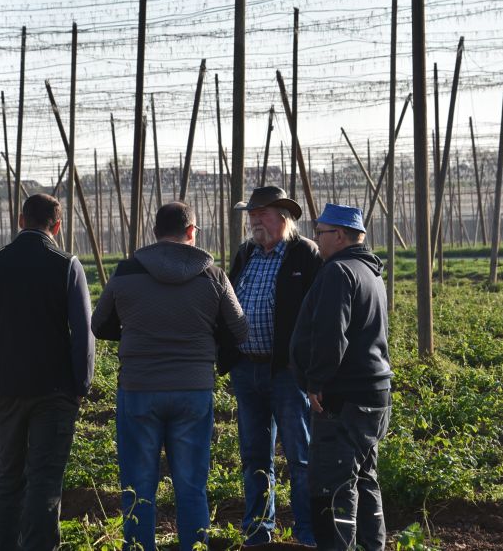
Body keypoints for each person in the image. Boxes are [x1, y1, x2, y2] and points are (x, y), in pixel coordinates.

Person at [92, 201, 247, 551]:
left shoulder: (127, 272)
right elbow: (240, 328)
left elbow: (98, 324)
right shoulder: (213, 276)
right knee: (191, 484)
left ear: (155, 232)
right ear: (192, 232)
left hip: (139, 388)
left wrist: (135, 331)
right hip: (193, 389)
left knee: (138, 483)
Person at [0, 193, 95, 551]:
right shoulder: (66, 264)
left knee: (8, 475)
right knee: (44, 478)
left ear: (20, 221)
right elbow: (82, 333)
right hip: (55, 391)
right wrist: (81, 384)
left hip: (7, 389)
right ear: (57, 226)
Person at [290, 203, 392, 551]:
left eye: (320, 233)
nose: (315, 239)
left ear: (341, 235)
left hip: (344, 396)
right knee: (364, 478)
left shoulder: (338, 272)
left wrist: (316, 381)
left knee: (334, 484)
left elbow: (332, 334)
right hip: (373, 393)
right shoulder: (370, 271)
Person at [225, 186, 322, 546]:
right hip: (247, 369)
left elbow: (318, 315)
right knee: (253, 455)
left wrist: (309, 366)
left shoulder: (304, 255)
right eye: (251, 215)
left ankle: (307, 529)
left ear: (284, 217)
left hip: (287, 372)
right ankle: (258, 529)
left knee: (300, 454)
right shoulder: (246, 253)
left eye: (261, 214)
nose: (254, 221)